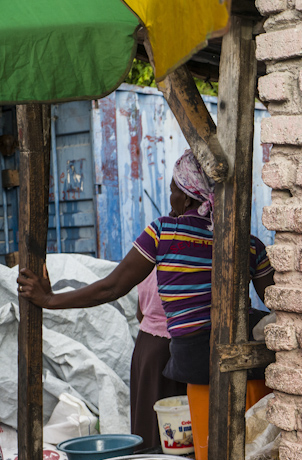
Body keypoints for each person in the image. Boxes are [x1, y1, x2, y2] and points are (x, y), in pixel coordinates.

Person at [17, 150, 274, 443]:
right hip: (233, 361)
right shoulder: (250, 245)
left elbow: (112, 287)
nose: (171, 199)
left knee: (172, 440)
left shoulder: (164, 231)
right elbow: (276, 301)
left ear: (188, 197)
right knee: (216, 441)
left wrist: (50, 300)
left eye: (173, 192)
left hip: (189, 358)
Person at [131, 271, 186, 453]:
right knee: (175, 426)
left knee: (149, 420)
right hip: (172, 346)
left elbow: (140, 312)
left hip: (146, 343)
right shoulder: (187, 259)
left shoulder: (149, 258)